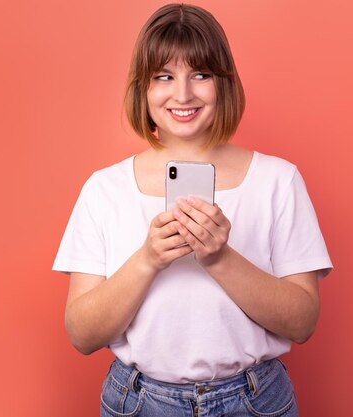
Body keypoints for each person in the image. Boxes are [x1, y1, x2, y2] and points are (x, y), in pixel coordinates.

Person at [53, 4, 332, 416]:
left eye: (200, 74)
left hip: (253, 401)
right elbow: (82, 334)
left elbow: (302, 323)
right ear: (143, 89)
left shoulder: (278, 180)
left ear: (223, 83)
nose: (182, 94)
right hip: (139, 402)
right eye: (163, 76)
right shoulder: (104, 189)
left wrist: (220, 259)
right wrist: (148, 259)